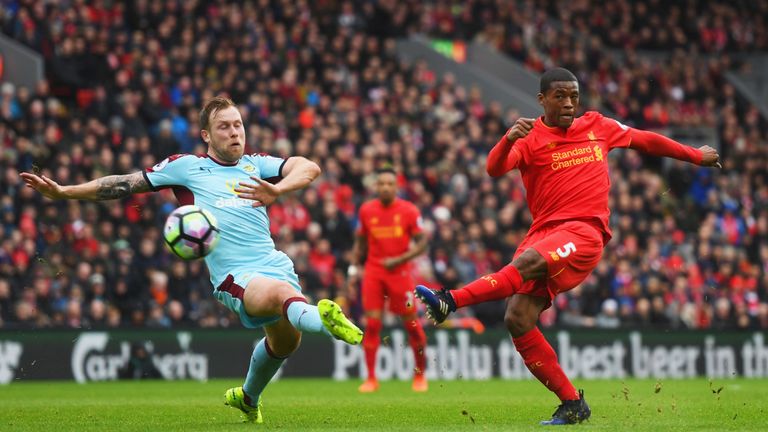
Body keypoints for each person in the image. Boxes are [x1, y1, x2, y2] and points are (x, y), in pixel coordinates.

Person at [20, 96, 363, 424]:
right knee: (280, 297)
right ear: (206, 135)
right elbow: (124, 184)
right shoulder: (187, 167)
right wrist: (65, 191)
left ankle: (248, 398)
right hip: (234, 275)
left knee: (286, 341)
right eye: (225, 127)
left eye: (238, 125)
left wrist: (279, 189)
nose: (234, 133)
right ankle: (324, 319)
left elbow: (309, 167)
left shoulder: (256, 164)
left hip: (274, 263)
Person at [415, 68, 721, 425]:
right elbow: (494, 169)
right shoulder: (529, 138)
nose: (569, 103)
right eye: (560, 96)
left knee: (528, 263)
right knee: (517, 317)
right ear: (542, 100)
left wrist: (696, 156)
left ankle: (449, 300)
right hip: (543, 233)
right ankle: (573, 403)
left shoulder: (598, 126)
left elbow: (646, 140)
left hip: (584, 233)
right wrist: (507, 138)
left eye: (574, 96)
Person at [348, 167, 429, 392]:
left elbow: (423, 242)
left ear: (396, 186)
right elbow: (360, 242)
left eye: (389, 184)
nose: (385, 187)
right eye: (381, 183)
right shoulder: (366, 210)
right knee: (372, 324)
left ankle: (420, 376)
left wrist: (401, 258)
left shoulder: (409, 210)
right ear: (376, 186)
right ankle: (371, 379)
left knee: (412, 325)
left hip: (400, 273)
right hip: (374, 272)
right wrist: (353, 269)